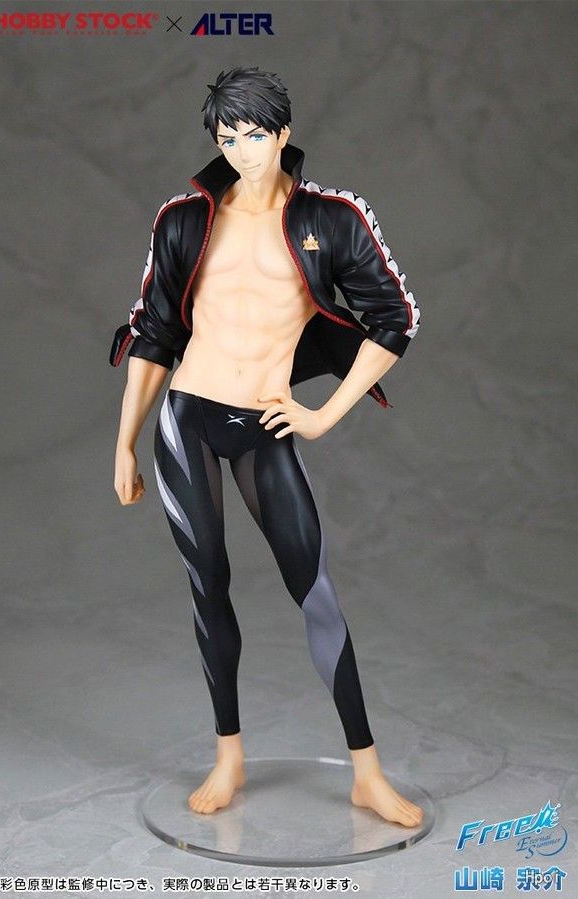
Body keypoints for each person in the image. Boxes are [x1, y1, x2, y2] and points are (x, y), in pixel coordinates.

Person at [111, 66, 422, 825]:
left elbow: (396, 319)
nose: (242, 151)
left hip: (265, 421)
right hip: (187, 418)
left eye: (255, 135)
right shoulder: (185, 219)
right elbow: (154, 334)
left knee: (315, 592)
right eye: (228, 138)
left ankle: (367, 772)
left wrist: (325, 415)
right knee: (207, 586)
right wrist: (124, 444)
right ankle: (229, 756)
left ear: (283, 133)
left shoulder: (332, 217)